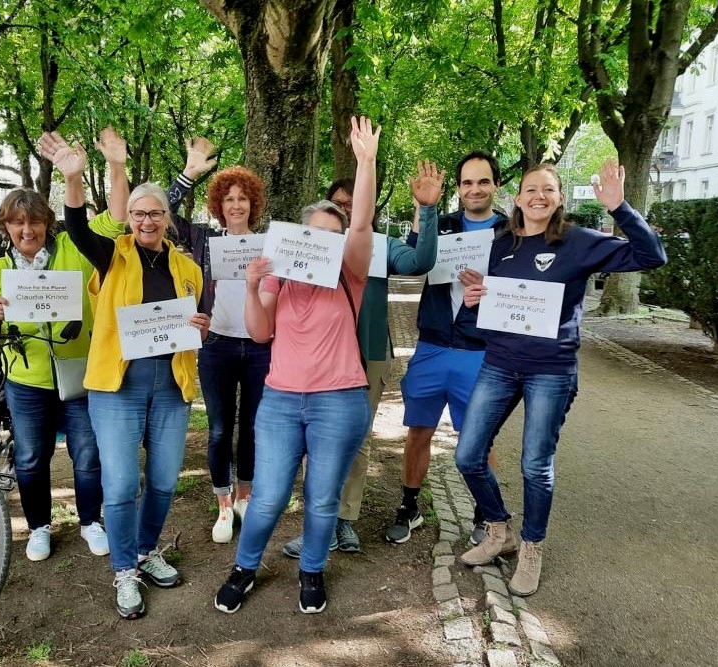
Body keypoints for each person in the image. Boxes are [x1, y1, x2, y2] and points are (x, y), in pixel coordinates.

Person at [456, 160, 666, 596]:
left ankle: (532, 547)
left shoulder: (578, 242)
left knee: (536, 464)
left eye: (548, 189)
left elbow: (652, 256)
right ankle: (500, 531)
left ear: (559, 198)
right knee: (468, 455)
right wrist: (474, 300)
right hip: (500, 363)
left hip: (551, 370)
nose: (538, 196)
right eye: (530, 189)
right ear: (516, 198)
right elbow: (488, 313)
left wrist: (620, 208)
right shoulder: (500, 246)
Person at [39, 127, 211, 619]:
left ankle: (145, 550)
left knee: (161, 482)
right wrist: (74, 178)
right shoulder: (111, 255)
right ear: (129, 219)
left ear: (168, 217)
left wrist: (201, 323)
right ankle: (123, 571)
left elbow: (196, 320)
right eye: (138, 214)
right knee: (120, 486)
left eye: (155, 212)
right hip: (117, 388)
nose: (146, 220)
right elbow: (76, 226)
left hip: (172, 386)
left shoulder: (188, 269)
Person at [213, 116, 380, 615]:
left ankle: (311, 571)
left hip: (339, 400)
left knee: (322, 499)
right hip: (281, 400)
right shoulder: (279, 277)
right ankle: (244, 568)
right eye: (315, 234)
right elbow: (261, 331)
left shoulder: (350, 275)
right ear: (297, 238)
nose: (322, 242)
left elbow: (364, 223)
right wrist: (250, 286)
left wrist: (365, 162)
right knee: (266, 499)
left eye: (333, 235)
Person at [281, 161, 441, 557]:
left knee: (356, 440)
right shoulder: (311, 246)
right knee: (314, 443)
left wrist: (427, 209)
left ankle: (345, 520)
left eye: (353, 204)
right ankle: (318, 522)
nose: (347, 210)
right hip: (316, 360)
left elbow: (419, 263)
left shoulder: (381, 245)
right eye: (338, 205)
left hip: (367, 356)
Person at [0, 188, 120, 563]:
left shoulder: (75, 251)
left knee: (88, 455)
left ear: (47, 223)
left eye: (34, 221)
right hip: (27, 381)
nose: (27, 230)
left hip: (79, 375)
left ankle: (91, 521)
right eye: (17, 222)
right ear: (5, 226)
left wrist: (110, 167)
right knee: (29, 458)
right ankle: (39, 526)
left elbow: (116, 220)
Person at [386, 152, 510, 545]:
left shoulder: (513, 233)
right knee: (418, 430)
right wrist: (423, 207)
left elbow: (523, 293)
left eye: (483, 181)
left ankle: (484, 514)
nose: (475, 189)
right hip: (433, 344)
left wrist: (491, 295)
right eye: (467, 182)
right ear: (458, 188)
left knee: (479, 437)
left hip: (480, 350)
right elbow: (409, 262)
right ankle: (409, 508)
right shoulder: (440, 225)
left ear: (496, 186)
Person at [164, 149, 271, 543]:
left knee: (254, 428)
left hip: (261, 347)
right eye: (229, 198)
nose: (236, 204)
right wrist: (188, 175)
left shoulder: (267, 244)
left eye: (243, 198)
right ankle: (224, 505)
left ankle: (246, 496)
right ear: (219, 205)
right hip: (216, 346)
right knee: (218, 429)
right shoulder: (204, 239)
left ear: (253, 204)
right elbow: (163, 212)